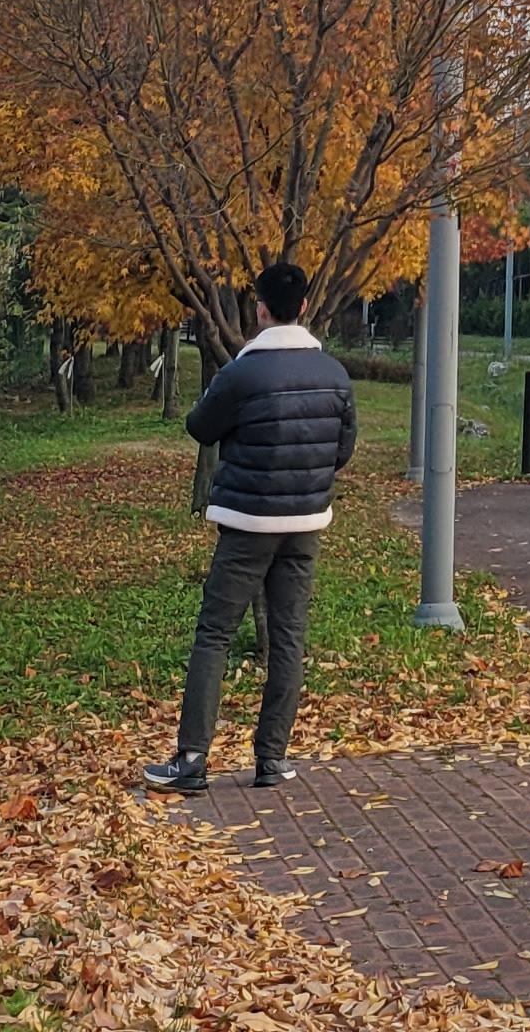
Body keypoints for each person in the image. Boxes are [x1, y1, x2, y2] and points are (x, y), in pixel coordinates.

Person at [140, 260, 356, 794]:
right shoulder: (334, 374)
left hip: (246, 524)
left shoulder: (242, 374)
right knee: (289, 636)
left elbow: (200, 426)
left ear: (260, 310)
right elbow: (342, 449)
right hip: (305, 523)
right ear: (304, 307)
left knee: (215, 632)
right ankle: (272, 759)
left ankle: (192, 758)